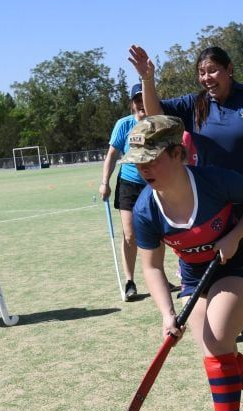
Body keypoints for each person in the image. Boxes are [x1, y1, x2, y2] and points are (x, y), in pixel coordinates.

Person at [126, 115, 243, 411]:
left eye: (153, 159)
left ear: (177, 154)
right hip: (194, 278)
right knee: (217, 352)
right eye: (139, 162)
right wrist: (167, 313)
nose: (145, 169)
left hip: (239, 265)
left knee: (216, 343)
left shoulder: (214, 181)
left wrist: (234, 235)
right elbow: (152, 266)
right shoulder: (145, 208)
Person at [129, 44, 243, 342]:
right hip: (211, 197)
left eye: (213, 70)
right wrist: (147, 80)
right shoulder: (195, 104)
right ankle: (230, 322)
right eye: (201, 73)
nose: (206, 78)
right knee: (216, 258)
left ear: (229, 69)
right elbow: (156, 117)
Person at [99, 83, 149, 300]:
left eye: (144, 98)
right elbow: (112, 155)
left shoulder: (158, 122)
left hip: (153, 184)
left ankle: (158, 275)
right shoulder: (124, 125)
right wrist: (104, 182)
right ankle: (130, 281)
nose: (140, 103)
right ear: (132, 103)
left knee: (158, 234)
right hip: (128, 183)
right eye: (137, 99)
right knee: (130, 235)